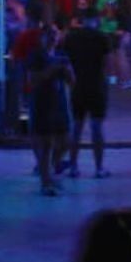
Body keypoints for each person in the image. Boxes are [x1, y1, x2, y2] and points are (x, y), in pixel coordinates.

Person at [63, 10, 113, 178]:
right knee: (96, 127)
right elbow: (107, 63)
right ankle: (99, 167)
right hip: (96, 85)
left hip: (78, 85)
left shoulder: (71, 38)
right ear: (96, 20)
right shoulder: (101, 38)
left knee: (76, 127)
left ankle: (73, 166)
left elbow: (65, 60)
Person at [28, 22, 76, 195]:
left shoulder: (62, 55)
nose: (53, 37)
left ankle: (52, 168)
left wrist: (68, 71)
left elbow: (72, 82)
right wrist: (51, 70)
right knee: (46, 143)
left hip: (59, 102)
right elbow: (33, 80)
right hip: (42, 102)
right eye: (49, 34)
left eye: (56, 33)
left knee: (65, 140)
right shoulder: (37, 56)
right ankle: (46, 182)